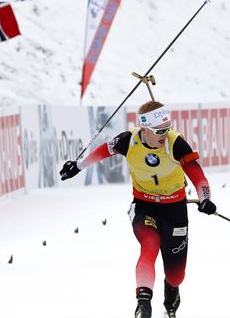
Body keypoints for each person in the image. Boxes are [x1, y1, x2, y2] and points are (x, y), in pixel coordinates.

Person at [59, 101, 217, 318]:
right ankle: (143, 303)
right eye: (158, 130)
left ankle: (171, 288)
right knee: (149, 244)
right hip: (144, 205)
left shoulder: (176, 143)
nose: (164, 134)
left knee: (176, 275)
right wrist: (78, 165)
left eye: (167, 127)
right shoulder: (129, 140)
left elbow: (198, 176)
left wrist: (205, 199)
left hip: (174, 209)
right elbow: (104, 150)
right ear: (144, 129)